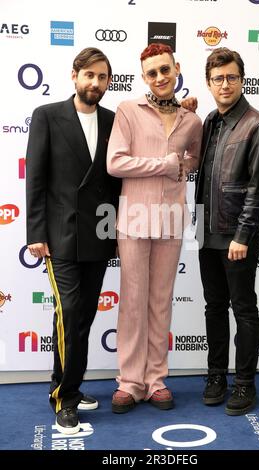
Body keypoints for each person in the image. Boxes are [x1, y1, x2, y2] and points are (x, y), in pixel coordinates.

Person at [26, 47, 121, 434]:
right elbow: (35, 177)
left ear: (108, 82)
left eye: (102, 77)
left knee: (79, 318)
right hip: (60, 236)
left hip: (98, 235)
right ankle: (66, 398)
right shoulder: (48, 116)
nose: (95, 83)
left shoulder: (115, 120)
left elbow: (116, 183)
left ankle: (62, 383)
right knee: (68, 313)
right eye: (89, 75)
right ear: (75, 76)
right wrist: (35, 233)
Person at [107, 43, 202, 413]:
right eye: (152, 73)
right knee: (132, 304)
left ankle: (156, 380)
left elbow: (193, 158)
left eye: (165, 70)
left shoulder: (191, 119)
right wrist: (163, 164)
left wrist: (182, 164)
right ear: (143, 76)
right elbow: (116, 163)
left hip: (171, 221)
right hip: (133, 221)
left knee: (160, 303)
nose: (160, 78)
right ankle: (130, 382)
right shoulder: (128, 111)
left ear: (177, 68)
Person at [195, 47, 259, 415]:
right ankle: (216, 376)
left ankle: (244, 384)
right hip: (207, 232)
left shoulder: (257, 125)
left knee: (243, 308)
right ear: (209, 83)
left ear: (242, 80)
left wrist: (243, 236)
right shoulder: (210, 120)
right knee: (214, 307)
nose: (224, 84)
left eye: (231, 77)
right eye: (218, 78)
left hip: (237, 237)